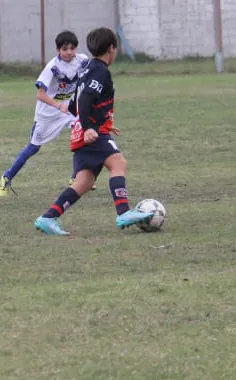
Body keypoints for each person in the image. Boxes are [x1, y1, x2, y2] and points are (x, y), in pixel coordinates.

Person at [33, 27, 152, 236]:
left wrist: (101, 122)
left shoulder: (88, 68)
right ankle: (123, 212)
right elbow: (85, 99)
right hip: (90, 132)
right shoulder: (99, 70)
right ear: (112, 48)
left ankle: (48, 217)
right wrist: (89, 127)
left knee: (85, 182)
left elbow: (74, 104)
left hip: (84, 131)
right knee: (118, 163)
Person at [0, 30, 89, 197]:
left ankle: (75, 178)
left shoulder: (82, 61)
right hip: (48, 113)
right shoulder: (52, 67)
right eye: (65, 49)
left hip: (68, 109)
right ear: (58, 50)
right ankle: (7, 177)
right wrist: (58, 105)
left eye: (72, 48)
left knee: (82, 134)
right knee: (33, 147)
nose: (69, 52)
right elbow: (40, 94)